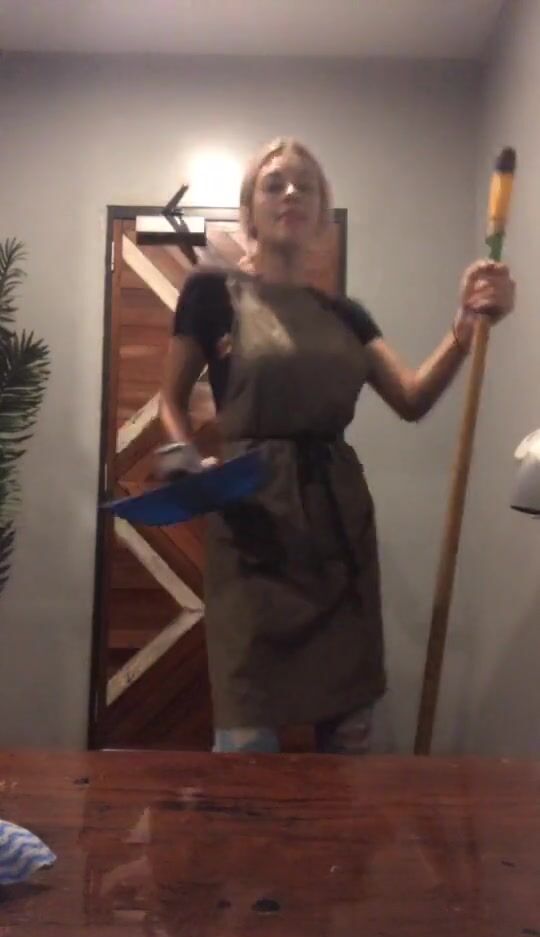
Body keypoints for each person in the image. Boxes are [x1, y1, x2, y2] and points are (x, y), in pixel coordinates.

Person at [159, 137, 515, 755]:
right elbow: (169, 400)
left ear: (323, 213)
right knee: (246, 739)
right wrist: (182, 453)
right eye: (274, 184)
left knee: (348, 739)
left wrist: (465, 325)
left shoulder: (347, 315)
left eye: (306, 186)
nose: (291, 194)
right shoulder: (211, 294)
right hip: (254, 532)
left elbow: (411, 398)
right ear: (249, 210)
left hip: (338, 535)